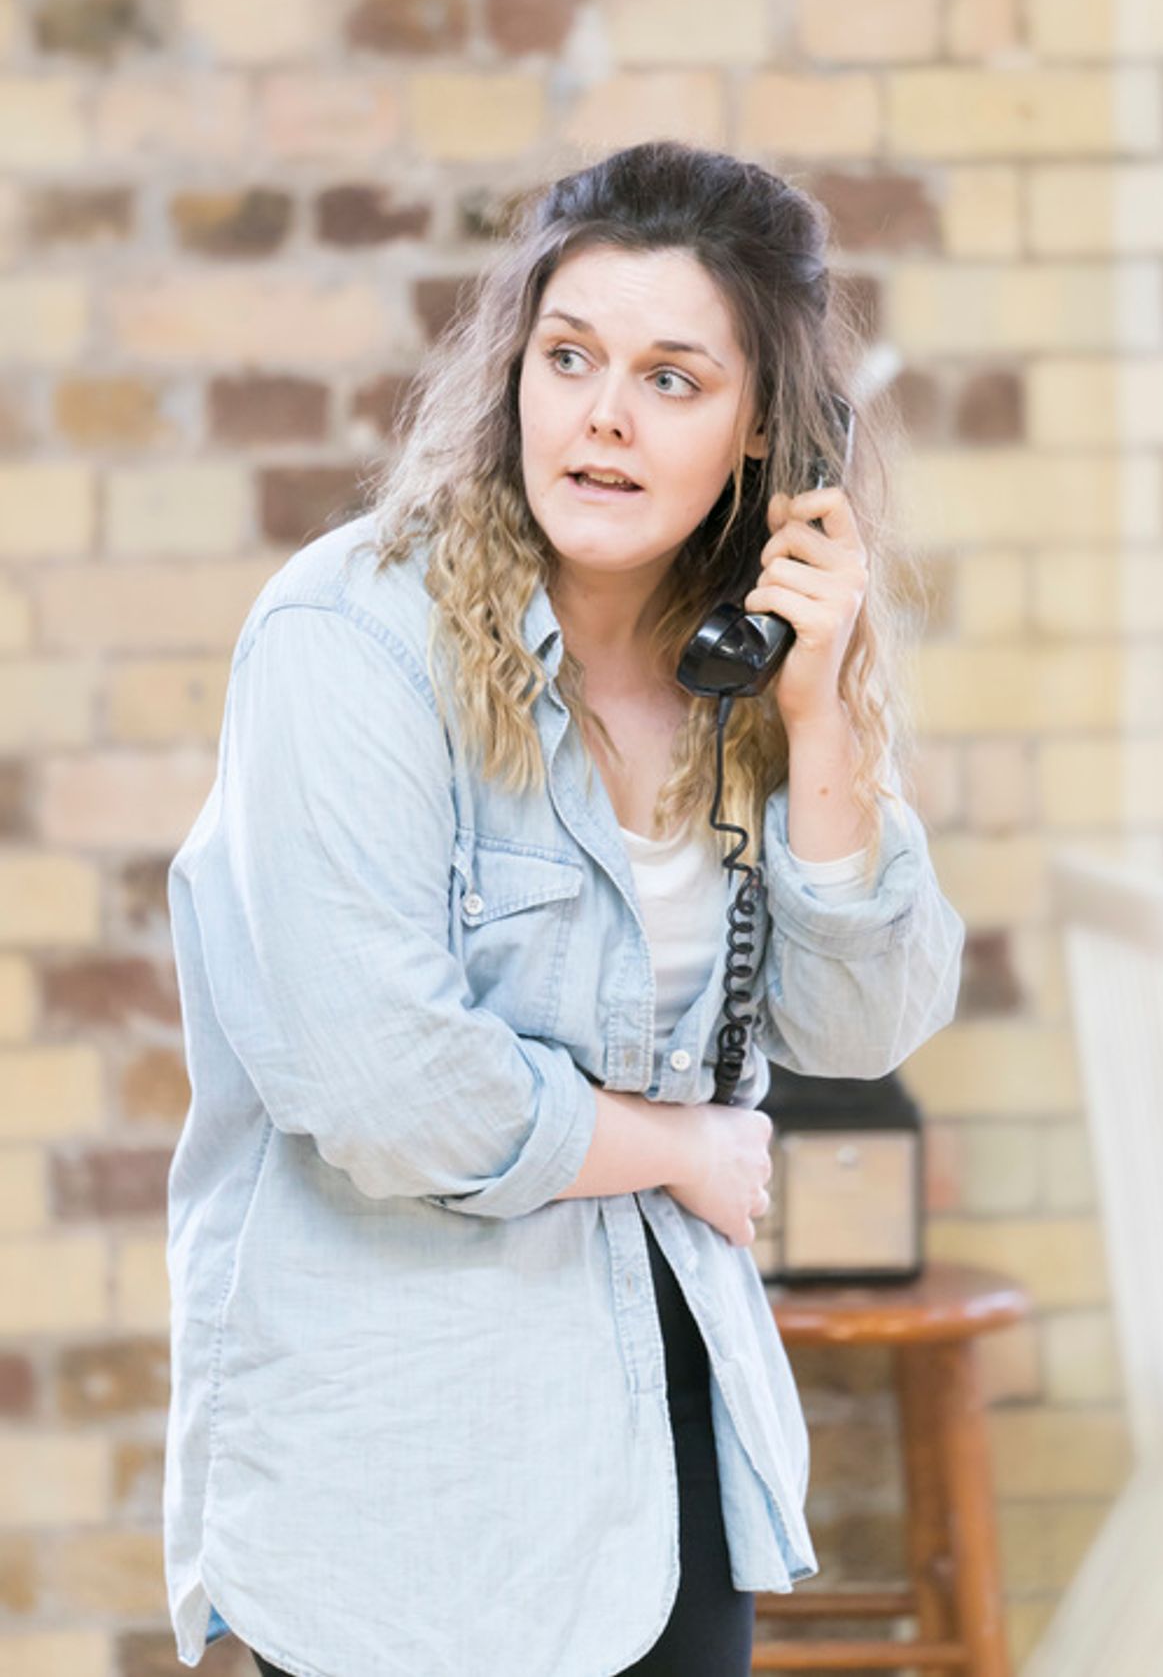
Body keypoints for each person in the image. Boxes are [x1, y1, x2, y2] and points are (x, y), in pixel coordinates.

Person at [162, 139, 965, 1677]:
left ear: (762, 441)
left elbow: (859, 1020)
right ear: (513, 375)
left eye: (673, 377)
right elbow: (385, 1087)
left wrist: (822, 720)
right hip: (409, 1479)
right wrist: (674, 1146)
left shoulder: (746, 667)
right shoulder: (346, 644)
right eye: (570, 356)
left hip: (660, 1446)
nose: (601, 412)